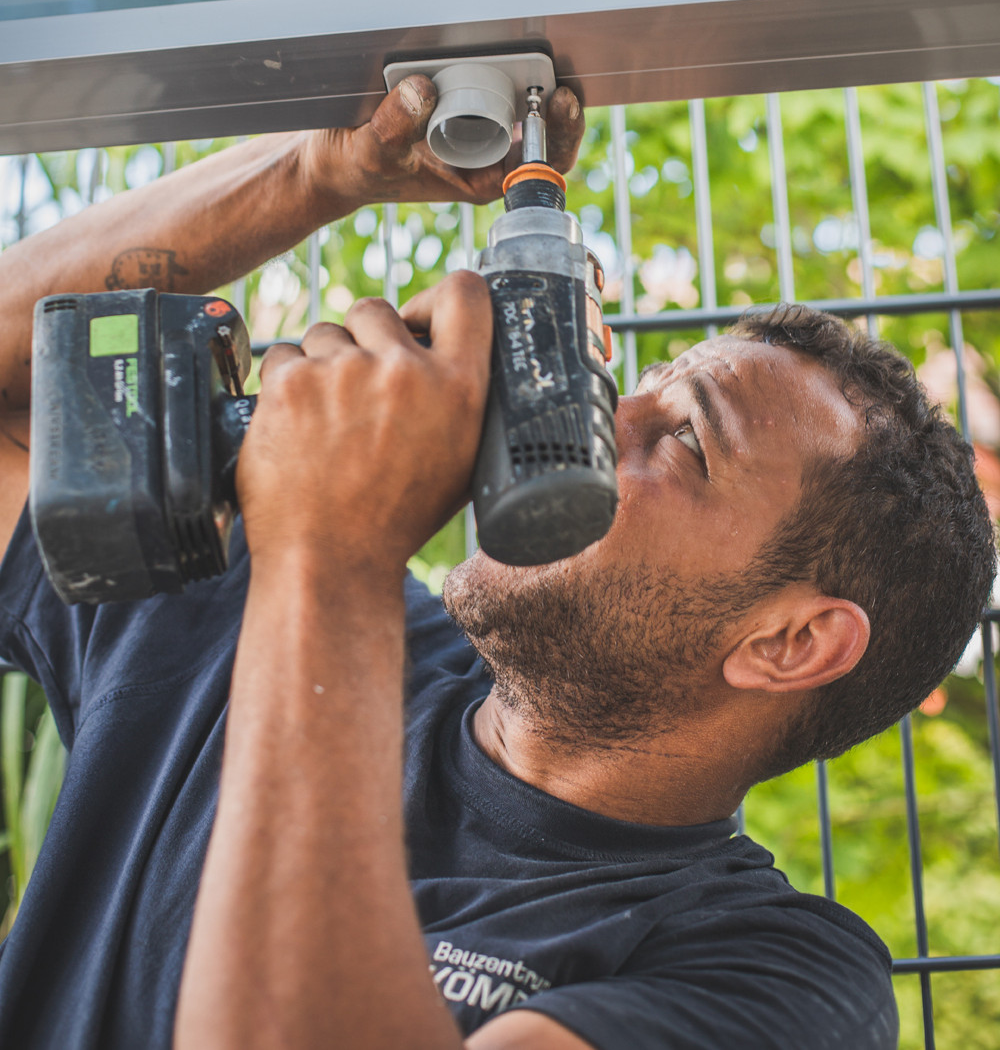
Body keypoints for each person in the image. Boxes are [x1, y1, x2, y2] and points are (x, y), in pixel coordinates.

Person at [0, 77, 992, 1050]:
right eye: (633, 391)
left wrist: (333, 550)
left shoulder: (775, 977)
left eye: (688, 441)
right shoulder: (247, 601)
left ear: (791, 640)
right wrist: (313, 175)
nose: (604, 420)